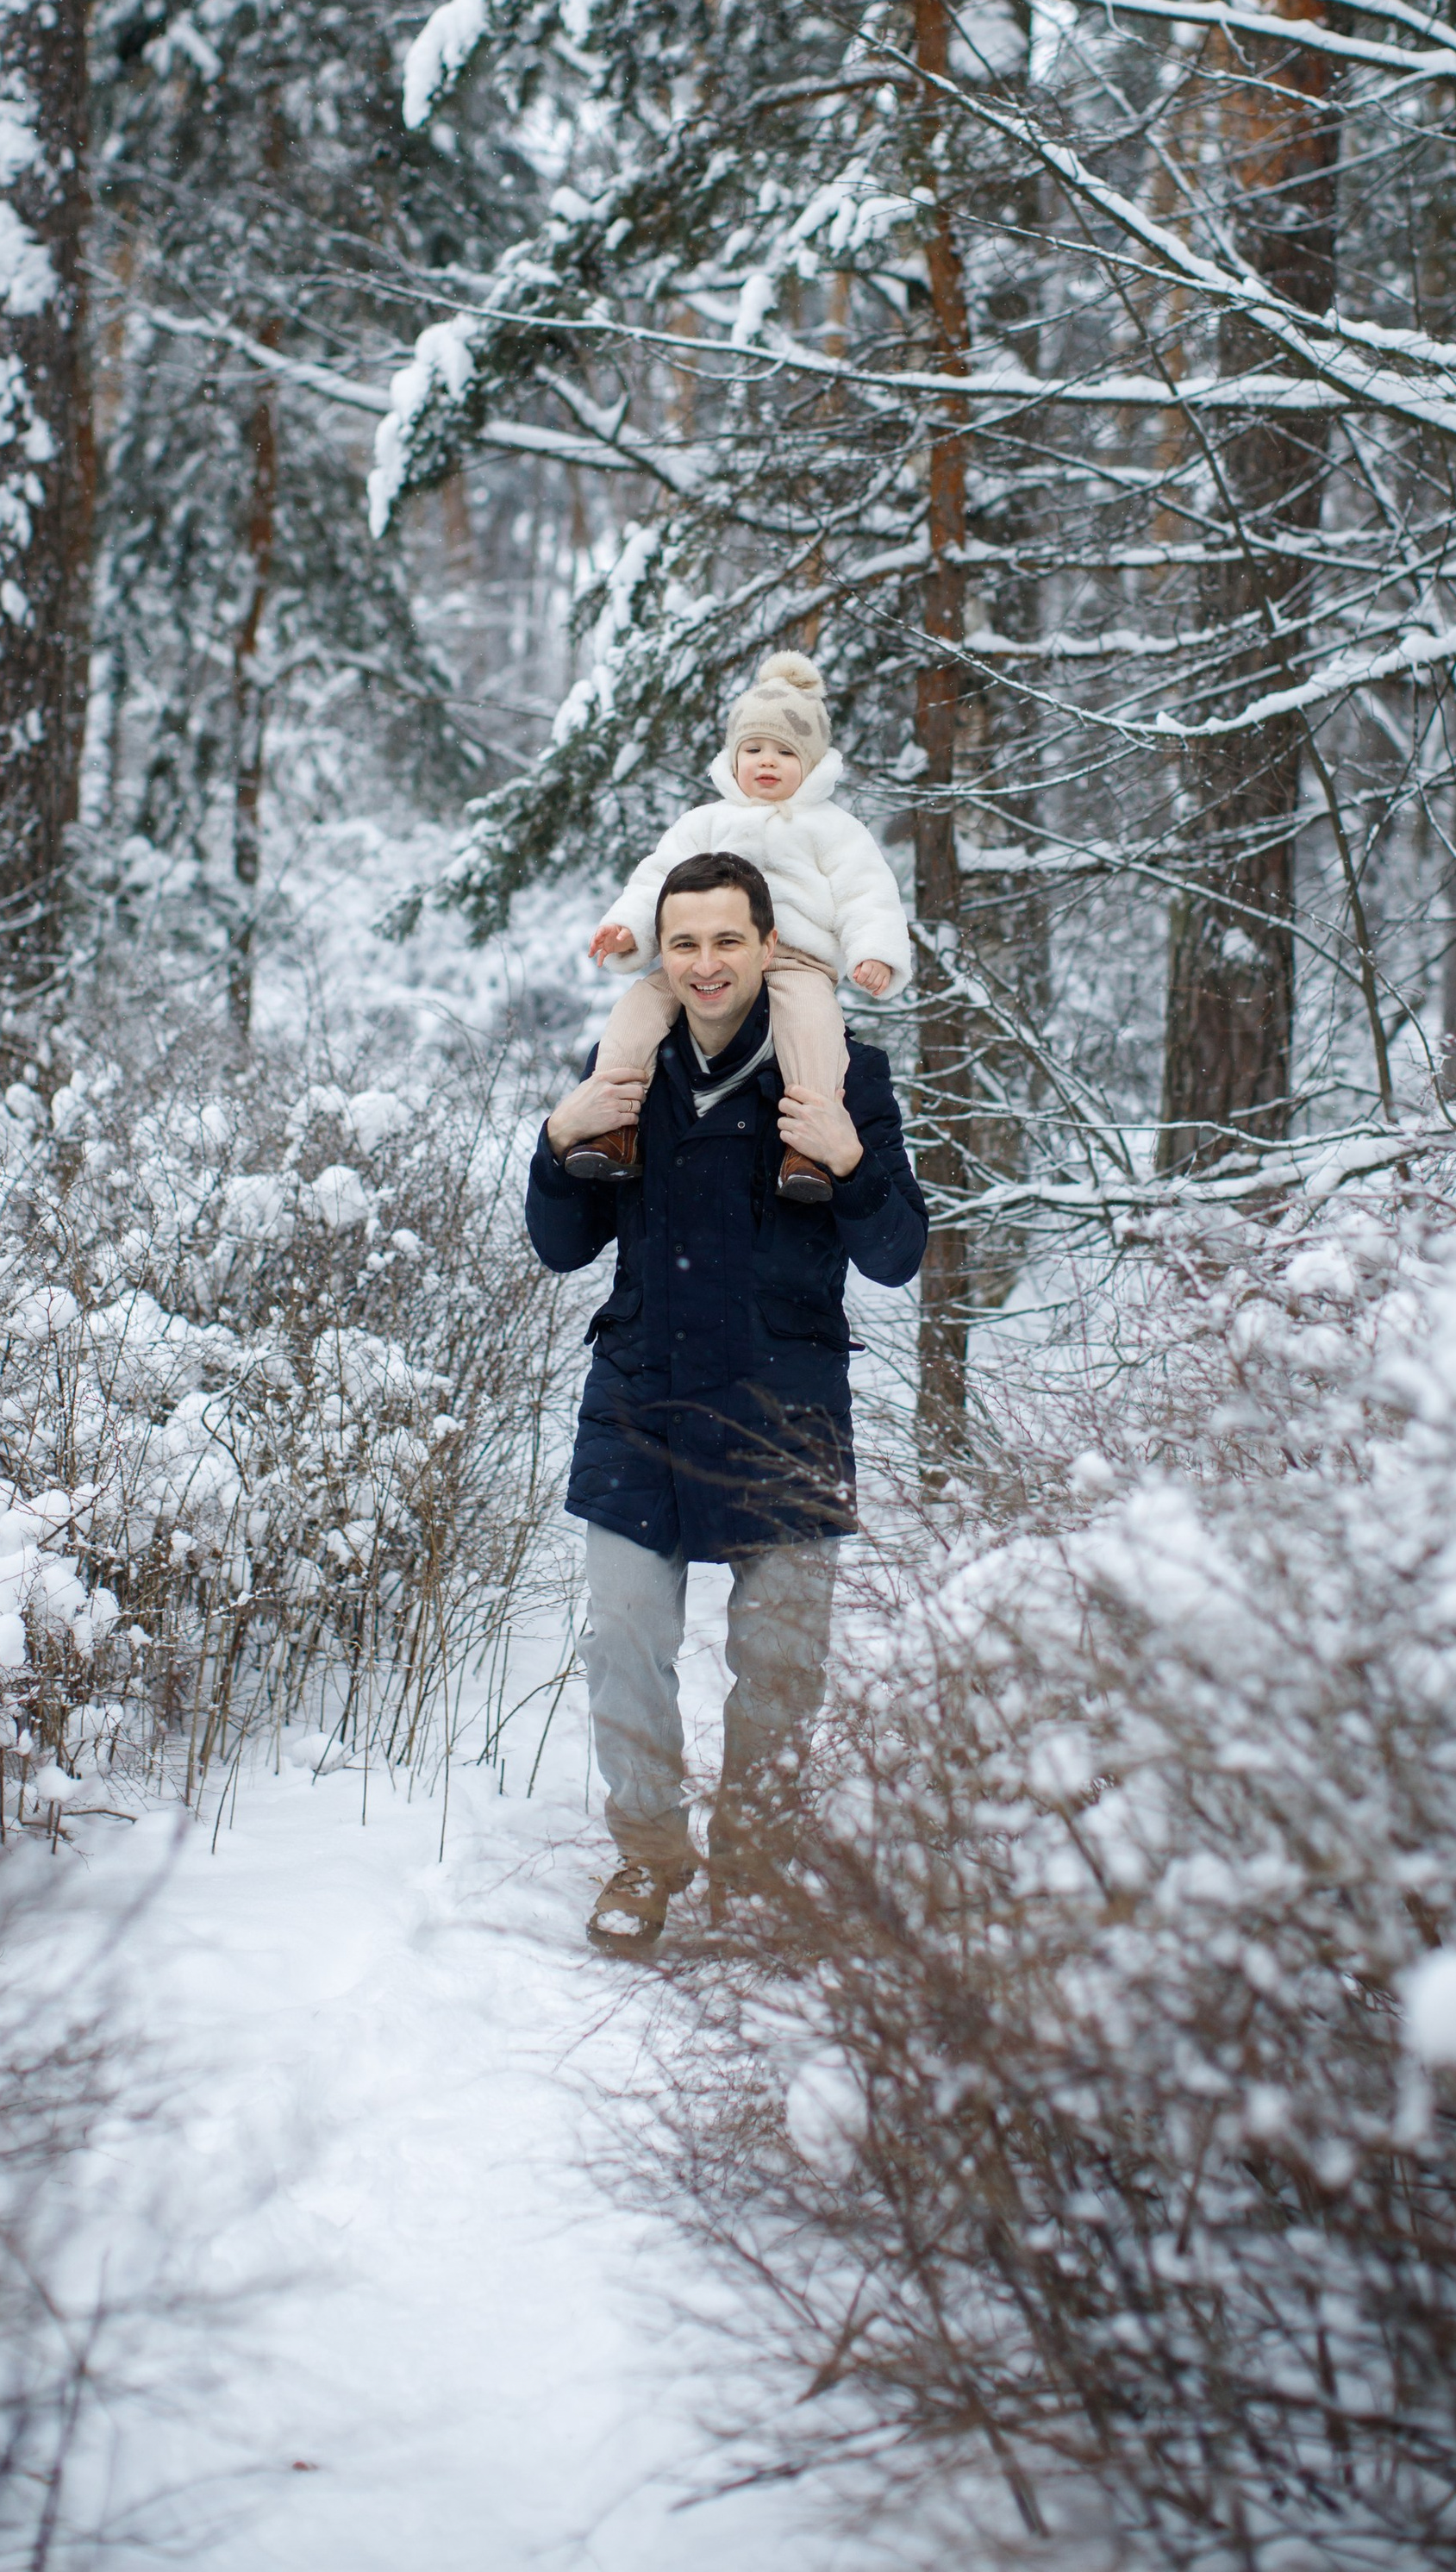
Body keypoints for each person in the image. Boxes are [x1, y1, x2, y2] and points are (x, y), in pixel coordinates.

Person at [526, 853, 928, 1953]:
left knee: (784, 1661)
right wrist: (559, 1143)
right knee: (622, 1637)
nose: (705, 964)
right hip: (640, 1397)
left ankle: (755, 1855)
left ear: (768, 948)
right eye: (684, 944)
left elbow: (897, 1257)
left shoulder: (846, 1072)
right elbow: (561, 1247)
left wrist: (847, 1162)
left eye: (726, 941)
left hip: (784, 1402)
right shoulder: (623, 1073)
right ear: (665, 954)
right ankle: (648, 1858)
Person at [572, 651, 911, 1203]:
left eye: (784, 752)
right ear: (733, 757)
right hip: (701, 959)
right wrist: (629, 928)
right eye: (753, 749)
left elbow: (866, 894)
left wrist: (872, 950)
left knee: (814, 1027)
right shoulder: (705, 822)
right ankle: (614, 1124)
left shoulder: (833, 829)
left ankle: (809, 1146)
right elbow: (657, 880)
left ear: (814, 763)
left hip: (798, 962)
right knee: (637, 1010)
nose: (766, 762)